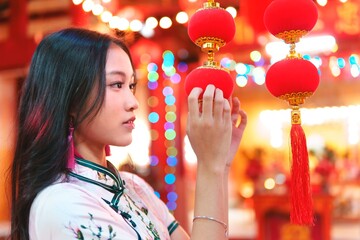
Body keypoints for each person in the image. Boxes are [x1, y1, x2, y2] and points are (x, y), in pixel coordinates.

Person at [10, 27, 247, 240]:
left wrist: (220, 164)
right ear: (71, 99)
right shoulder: (61, 204)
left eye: (131, 85)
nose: (133, 102)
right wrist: (209, 166)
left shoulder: (134, 186)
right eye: (116, 84)